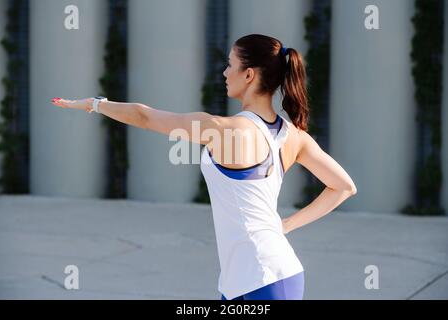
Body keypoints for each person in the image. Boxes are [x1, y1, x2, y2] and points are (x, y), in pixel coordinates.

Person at [51, 34, 357, 300]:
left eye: (230, 64)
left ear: (249, 74)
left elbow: (145, 117)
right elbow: (343, 186)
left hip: (265, 280)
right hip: (248, 278)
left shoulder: (224, 129)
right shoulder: (294, 137)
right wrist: (284, 226)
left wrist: (94, 103)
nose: (225, 72)